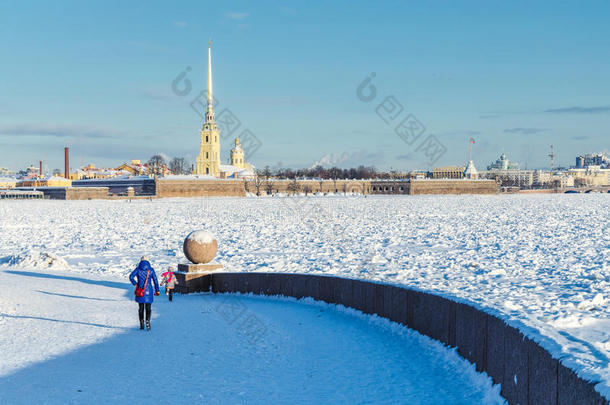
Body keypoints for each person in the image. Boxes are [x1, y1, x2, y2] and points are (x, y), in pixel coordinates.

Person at [129, 256, 160, 331]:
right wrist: (157, 290)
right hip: (148, 291)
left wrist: (135, 283)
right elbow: (155, 280)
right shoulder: (151, 270)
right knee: (148, 308)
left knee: (141, 308)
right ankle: (147, 321)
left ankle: (141, 324)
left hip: (140, 291)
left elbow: (131, 277)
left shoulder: (138, 269)